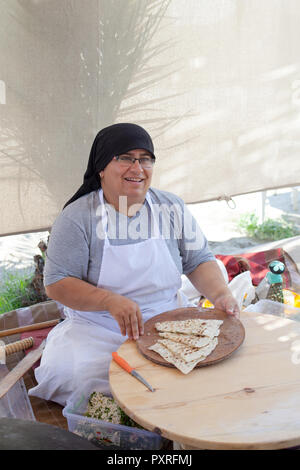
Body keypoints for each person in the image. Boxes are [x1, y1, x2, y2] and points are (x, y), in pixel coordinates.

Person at [28, 123, 239, 406]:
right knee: (79, 377)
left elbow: (198, 260)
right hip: (100, 328)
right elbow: (57, 283)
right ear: (101, 167)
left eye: (145, 159)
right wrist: (109, 301)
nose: (137, 167)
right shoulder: (78, 218)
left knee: (214, 365)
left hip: (169, 323)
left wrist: (221, 294)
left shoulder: (171, 207)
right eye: (125, 158)